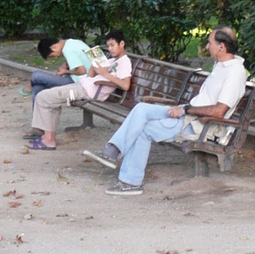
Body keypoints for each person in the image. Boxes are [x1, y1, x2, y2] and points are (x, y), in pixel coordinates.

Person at [84, 26, 247, 194]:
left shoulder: (235, 72)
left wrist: (185, 110)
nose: (206, 47)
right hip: (188, 113)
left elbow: (219, 111)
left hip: (199, 125)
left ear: (221, 47)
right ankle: (112, 151)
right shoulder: (221, 65)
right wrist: (183, 109)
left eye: (209, 43)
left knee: (144, 129)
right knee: (141, 109)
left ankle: (131, 183)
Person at [25, 29, 132, 151]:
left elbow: (125, 85)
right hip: (83, 86)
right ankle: (47, 137)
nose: (110, 49)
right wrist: (94, 64)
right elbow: (90, 77)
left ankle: (48, 140)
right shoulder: (112, 60)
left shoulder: (124, 62)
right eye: (108, 46)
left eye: (112, 45)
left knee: (43, 97)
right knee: (47, 97)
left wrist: (104, 74)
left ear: (122, 44)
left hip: (86, 92)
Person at [28, 34, 93, 102]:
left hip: (79, 82)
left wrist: (65, 71)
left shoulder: (67, 50)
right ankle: (37, 111)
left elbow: (82, 71)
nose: (56, 57)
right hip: (84, 78)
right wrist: (66, 65)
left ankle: (31, 85)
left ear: (53, 47)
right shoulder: (73, 42)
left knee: (36, 75)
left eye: (52, 55)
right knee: (37, 88)